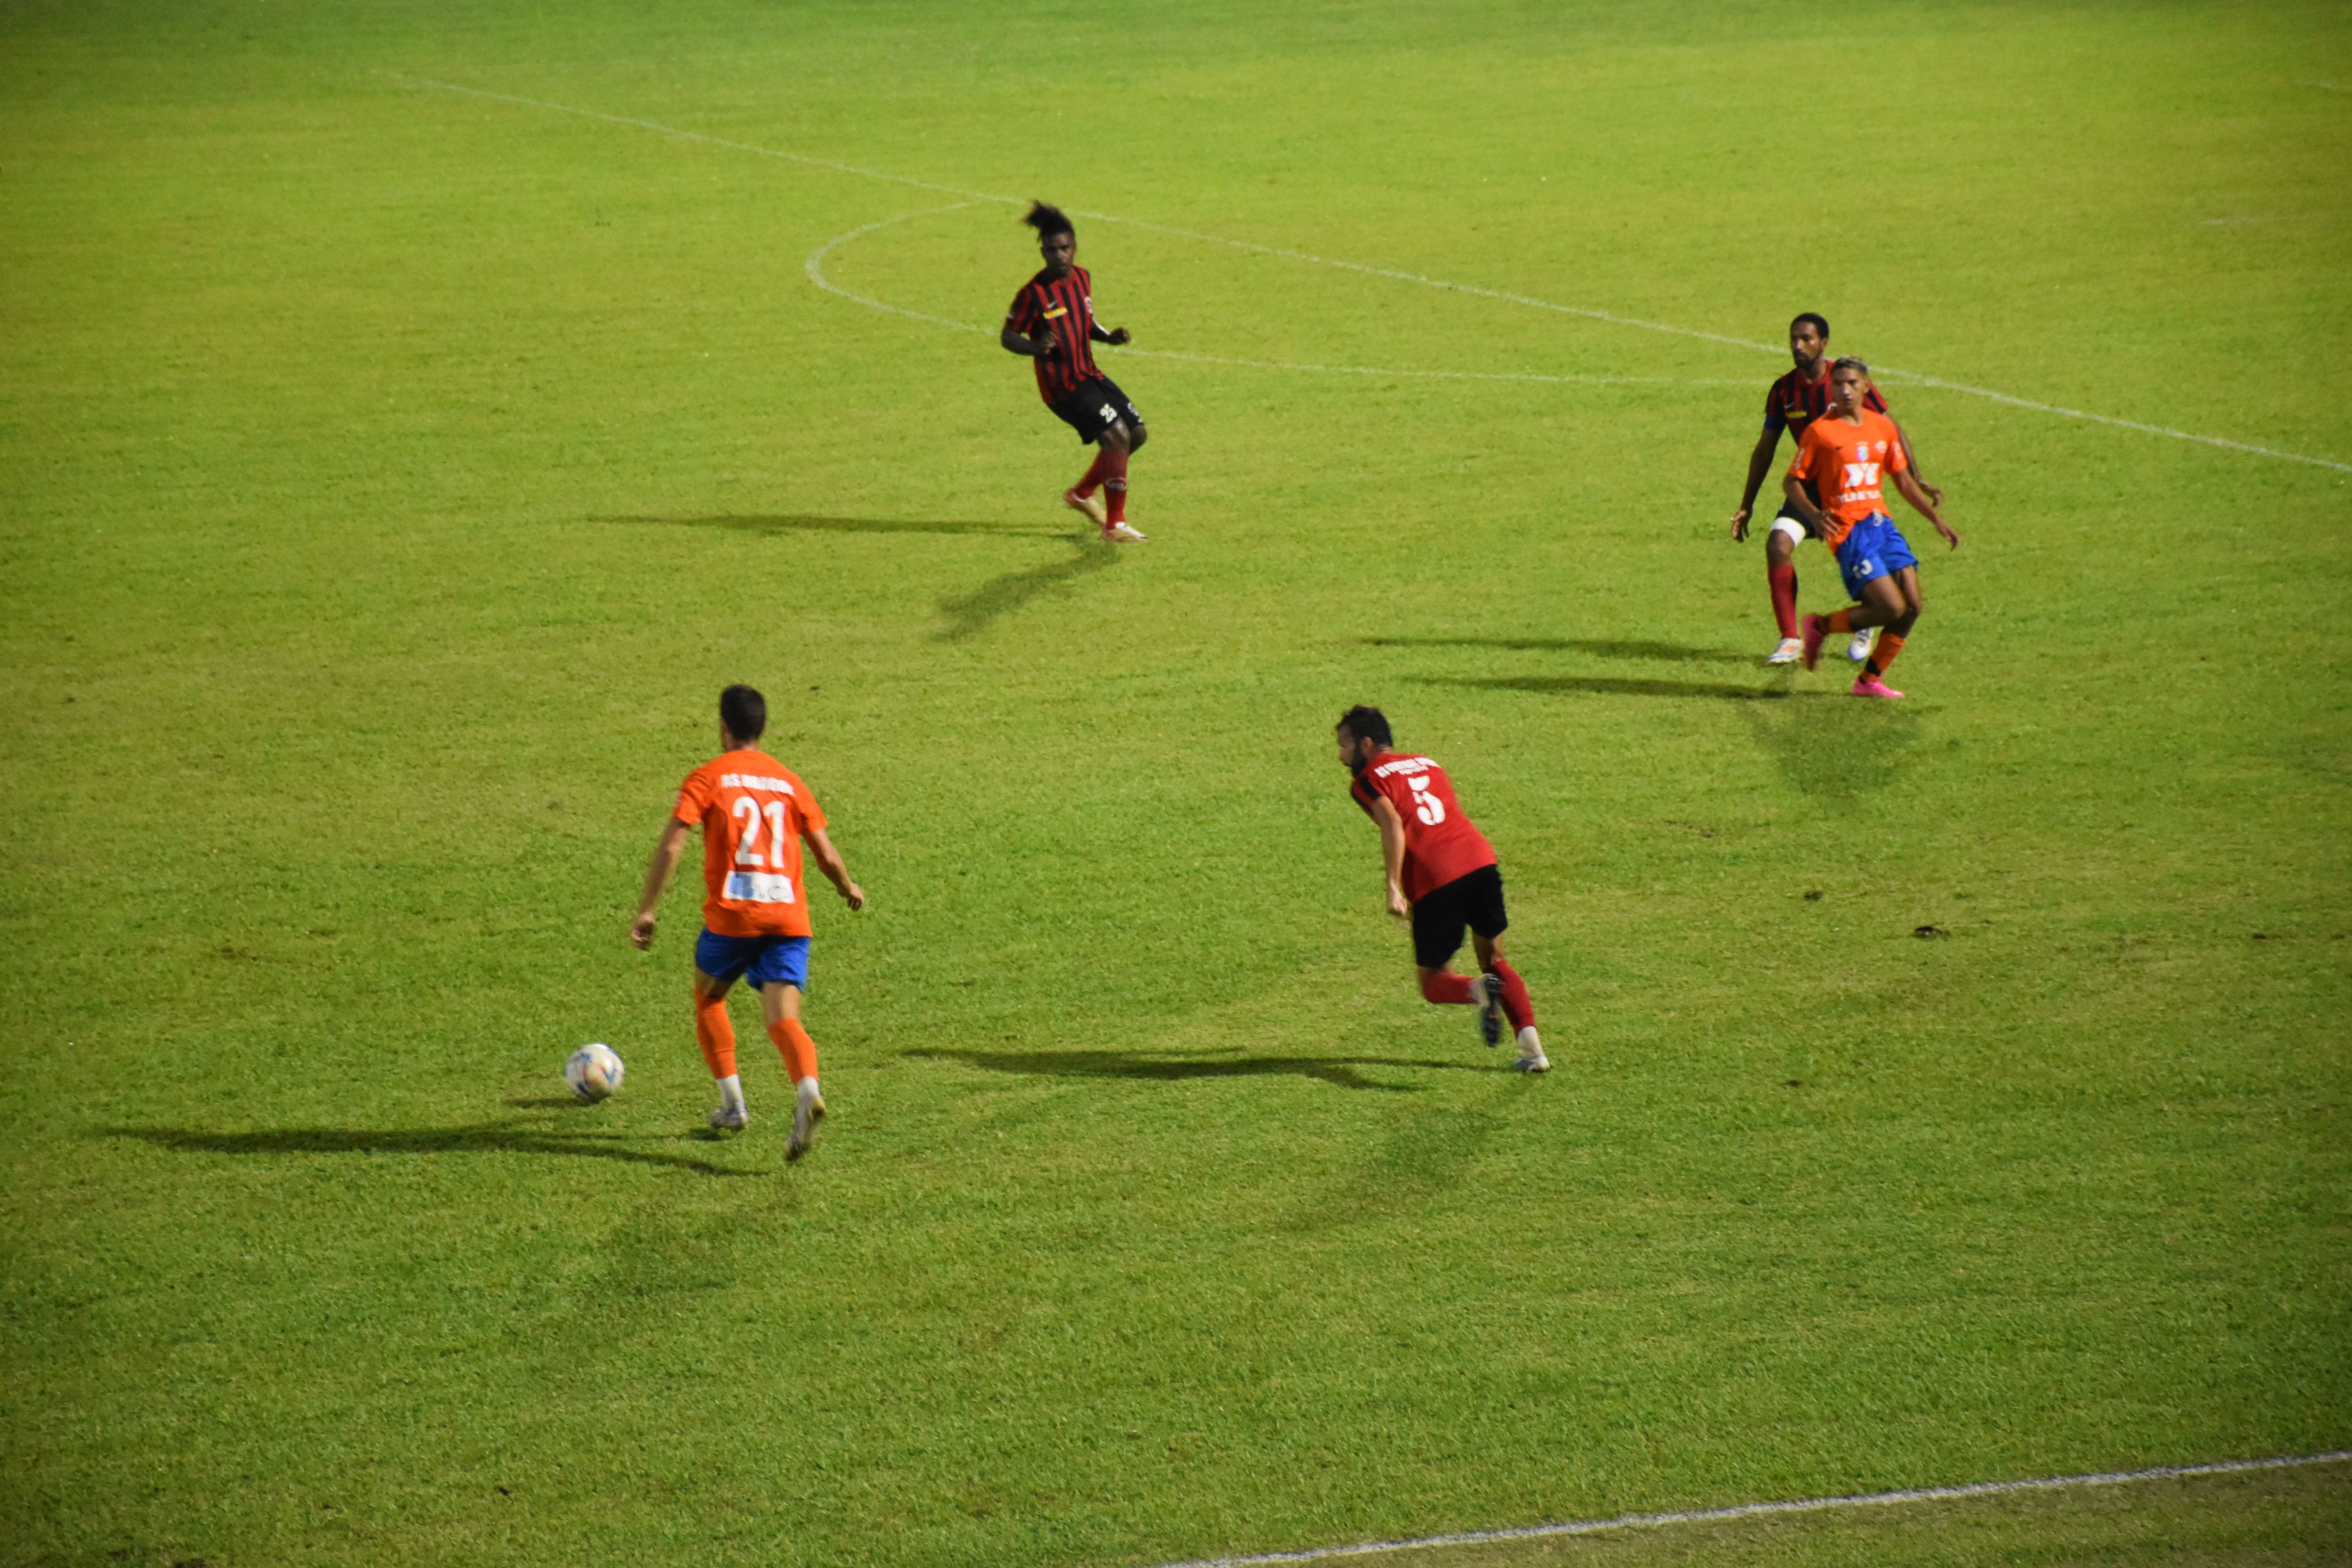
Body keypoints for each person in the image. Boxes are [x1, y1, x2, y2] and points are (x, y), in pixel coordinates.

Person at [630, 685, 865, 1160]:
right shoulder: (789, 781)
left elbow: (673, 845)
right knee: (783, 1019)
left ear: (723, 727)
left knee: (709, 998)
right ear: (763, 727)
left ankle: (733, 1105)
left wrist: (649, 909)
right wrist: (848, 888)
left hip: (733, 919)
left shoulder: (708, 777)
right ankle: (808, 1090)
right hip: (789, 918)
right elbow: (825, 852)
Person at [1337, 706, 1548, 1073]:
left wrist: (1393, 886)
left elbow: (1393, 823)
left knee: (1434, 983)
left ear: (1366, 744)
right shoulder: (1428, 763)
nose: (1341, 756)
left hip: (1436, 878)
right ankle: (1535, 1053)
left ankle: (1481, 990)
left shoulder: (1367, 780)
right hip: (1481, 862)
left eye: (1345, 745)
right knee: (1495, 960)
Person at [1728, 314, 1940, 665]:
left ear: (1823, 343)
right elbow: (1765, 448)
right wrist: (1747, 504)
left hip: (1849, 491)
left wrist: (1915, 477)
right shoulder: (1784, 391)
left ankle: (1866, 620)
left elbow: (1889, 428)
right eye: (1794, 339)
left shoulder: (1846, 382)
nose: (1798, 346)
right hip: (1809, 490)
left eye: (1807, 339)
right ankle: (1790, 640)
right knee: (1778, 545)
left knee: (1869, 556)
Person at [1782, 358, 1961, 697]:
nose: (1844, 391)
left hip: (1881, 525)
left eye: (1851, 383)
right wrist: (1814, 515)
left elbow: (1902, 481)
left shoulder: (1882, 427)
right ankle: (1820, 626)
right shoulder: (1820, 432)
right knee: (1890, 608)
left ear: (1866, 386)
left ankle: (1867, 681)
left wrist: (1936, 520)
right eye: (1837, 384)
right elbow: (1792, 482)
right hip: (1848, 532)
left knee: (1913, 606)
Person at [1000, 201, 1149, 544]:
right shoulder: (1033, 294)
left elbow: (1086, 320)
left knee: (1137, 434)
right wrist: (1035, 347)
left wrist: (1108, 337)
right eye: (1051, 250)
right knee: (1116, 436)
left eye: (1064, 248)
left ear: (1074, 248)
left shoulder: (1083, 278)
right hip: (1062, 386)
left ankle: (1081, 494)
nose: (1059, 256)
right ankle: (1115, 526)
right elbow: (1008, 337)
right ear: (1042, 252)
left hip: (1089, 374)